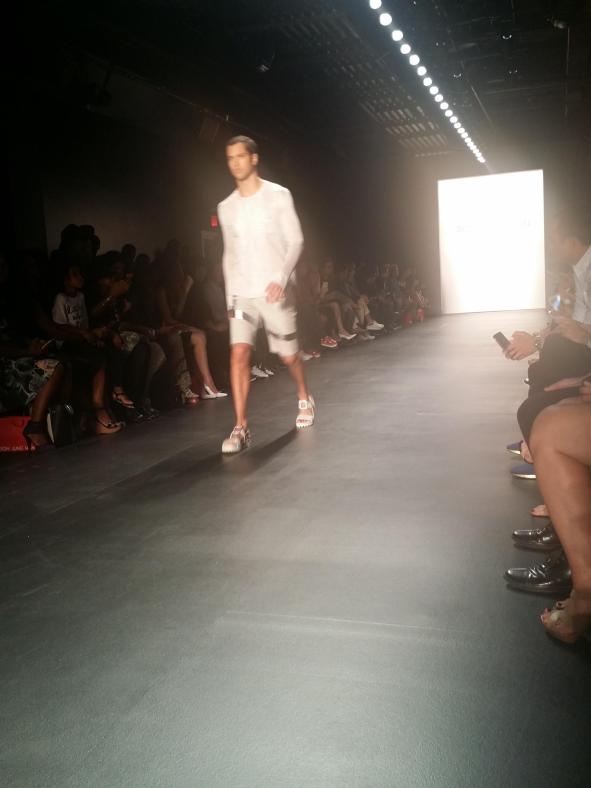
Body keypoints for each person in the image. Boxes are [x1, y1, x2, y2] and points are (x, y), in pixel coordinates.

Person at [217, 135, 314, 454]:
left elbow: (296, 241)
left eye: (240, 156)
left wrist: (281, 278)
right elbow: (229, 254)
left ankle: (304, 396)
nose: (235, 163)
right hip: (241, 293)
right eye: (230, 158)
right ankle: (241, 427)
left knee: (288, 356)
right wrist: (229, 297)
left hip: (274, 291)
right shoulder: (226, 207)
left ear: (254, 158)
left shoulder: (278, 196)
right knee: (239, 352)